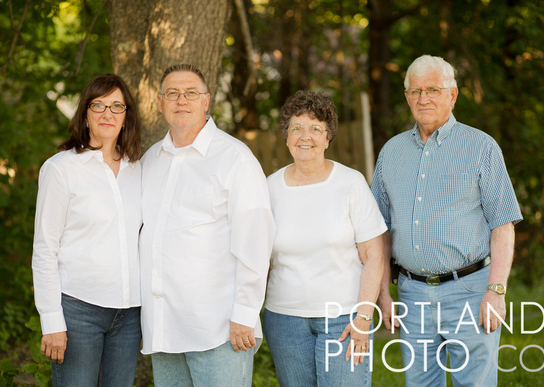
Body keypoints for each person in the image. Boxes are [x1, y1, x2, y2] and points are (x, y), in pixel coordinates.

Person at [371, 55, 523, 386]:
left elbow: (503, 225)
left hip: (469, 290)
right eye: (415, 91)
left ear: (452, 95)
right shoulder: (391, 153)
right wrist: (383, 292)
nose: (423, 98)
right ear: (407, 96)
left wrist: (496, 290)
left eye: (432, 90)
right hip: (411, 294)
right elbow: (378, 232)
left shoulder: (481, 147)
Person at [139, 64, 275, 386]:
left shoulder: (234, 158)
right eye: (172, 93)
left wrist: (245, 314)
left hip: (218, 328)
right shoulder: (150, 160)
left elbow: (256, 241)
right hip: (165, 327)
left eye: (191, 93)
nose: (181, 100)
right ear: (160, 103)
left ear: (206, 101)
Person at [263, 90, 387, 386]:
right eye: (297, 128)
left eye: (315, 129)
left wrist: (364, 317)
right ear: (287, 136)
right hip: (284, 320)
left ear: (327, 138)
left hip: (344, 317)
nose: (305, 136)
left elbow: (374, 256)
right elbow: (259, 258)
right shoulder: (268, 188)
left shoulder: (350, 183)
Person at [32, 73, 143, 386]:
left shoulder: (139, 168)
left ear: (126, 116)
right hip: (79, 310)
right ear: (85, 114)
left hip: (129, 313)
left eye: (116, 106)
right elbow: (45, 249)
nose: (108, 113)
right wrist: (51, 319)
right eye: (99, 105)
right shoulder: (60, 169)